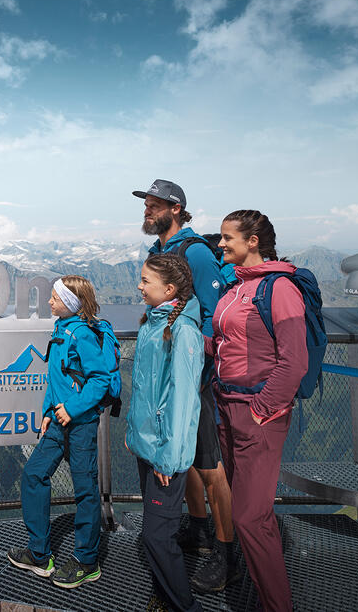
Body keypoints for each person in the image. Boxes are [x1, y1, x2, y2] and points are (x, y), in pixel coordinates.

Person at [132, 179, 237, 591]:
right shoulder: (161, 252)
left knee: (210, 467)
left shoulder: (195, 253)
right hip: (175, 377)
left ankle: (227, 555)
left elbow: (212, 315)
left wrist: (191, 362)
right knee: (189, 459)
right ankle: (197, 529)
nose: (147, 211)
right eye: (146, 206)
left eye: (154, 205)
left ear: (176, 209)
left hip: (198, 378)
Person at [210, 210, 307, 612]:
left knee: (251, 518)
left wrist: (261, 410)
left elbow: (295, 361)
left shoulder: (279, 289)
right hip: (228, 408)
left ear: (253, 241)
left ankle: (276, 605)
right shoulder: (237, 286)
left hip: (256, 415)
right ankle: (264, 594)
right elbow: (226, 341)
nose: (220, 244)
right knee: (246, 514)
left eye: (228, 238)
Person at [7, 275, 112, 590]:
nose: (49, 302)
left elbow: (100, 380)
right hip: (57, 422)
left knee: (85, 492)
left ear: (70, 303)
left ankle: (87, 561)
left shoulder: (82, 335)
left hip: (79, 426)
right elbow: (56, 380)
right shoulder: (60, 330)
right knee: (33, 475)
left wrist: (73, 409)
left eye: (54, 297)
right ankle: (40, 554)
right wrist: (46, 413)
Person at [127, 253, 204, 612]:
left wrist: (168, 458)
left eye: (145, 281)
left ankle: (183, 606)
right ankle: (162, 596)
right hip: (149, 447)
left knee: (157, 537)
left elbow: (183, 402)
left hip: (164, 454)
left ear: (169, 289)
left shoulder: (184, 332)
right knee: (156, 534)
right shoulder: (153, 324)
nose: (139, 286)